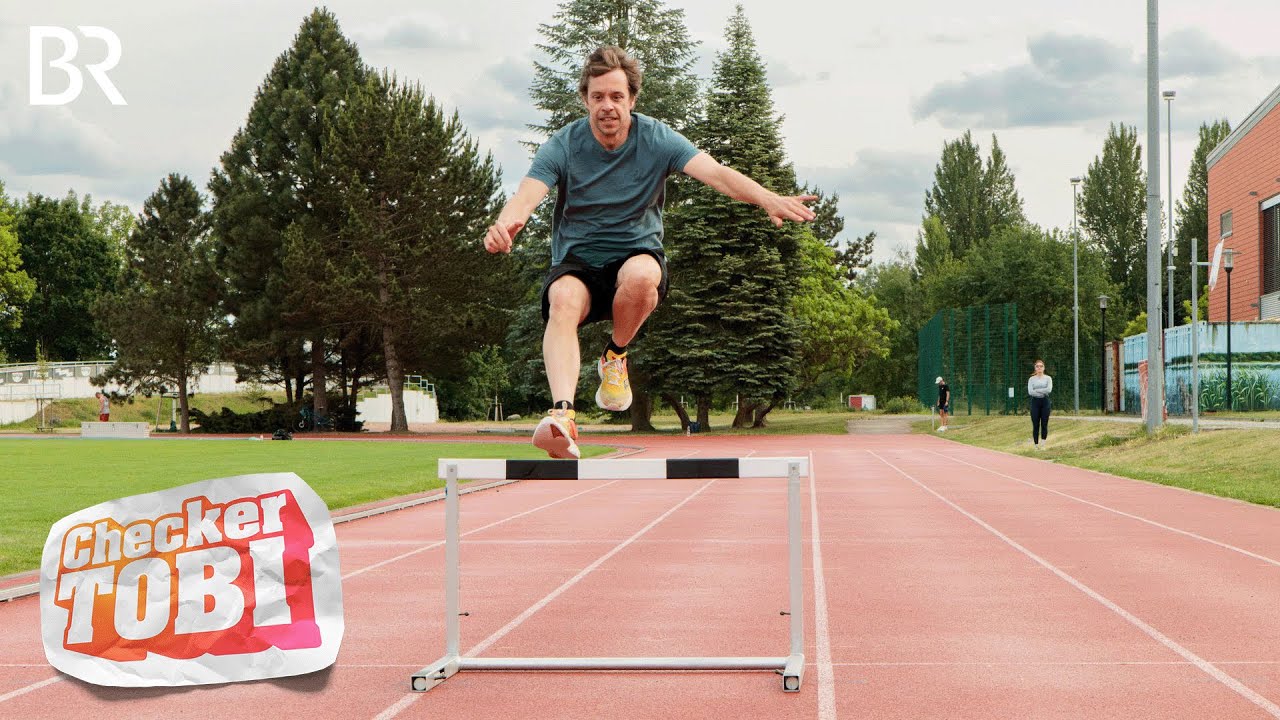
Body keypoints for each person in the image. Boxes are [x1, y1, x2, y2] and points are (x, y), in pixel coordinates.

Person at [484, 46, 817, 458]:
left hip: (635, 254)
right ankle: (564, 417)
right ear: (586, 99)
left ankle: (615, 355)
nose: (607, 107)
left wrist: (767, 198)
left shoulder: (656, 138)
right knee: (562, 299)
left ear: (632, 99)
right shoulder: (565, 145)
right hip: (579, 262)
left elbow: (715, 173)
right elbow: (527, 195)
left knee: (643, 276)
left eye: (616, 97)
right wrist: (506, 222)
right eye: (598, 97)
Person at [1027, 360, 1053, 449]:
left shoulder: (1048, 378)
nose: (1039, 368)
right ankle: (1036, 445)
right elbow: (1030, 392)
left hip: (1045, 402)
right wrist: (1042, 391)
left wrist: (1037, 390)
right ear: (1035, 368)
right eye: (1037, 366)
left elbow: (1049, 390)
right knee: (1035, 424)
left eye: (1041, 366)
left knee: (1044, 423)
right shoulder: (1031, 379)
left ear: (1044, 368)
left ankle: (1043, 444)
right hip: (1035, 402)